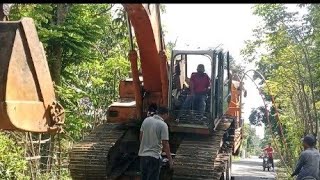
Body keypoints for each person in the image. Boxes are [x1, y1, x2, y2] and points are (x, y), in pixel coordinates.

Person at [139, 104, 173, 180]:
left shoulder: (146, 120)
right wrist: (170, 160)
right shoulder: (163, 125)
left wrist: (144, 147)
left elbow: (141, 136)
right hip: (154, 157)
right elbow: (165, 143)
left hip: (143, 156)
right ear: (166, 114)